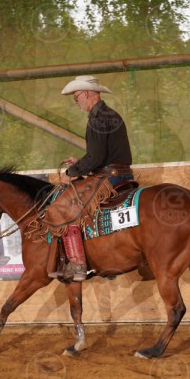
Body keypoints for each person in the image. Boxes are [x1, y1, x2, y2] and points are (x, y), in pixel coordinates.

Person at [48, 75, 134, 281]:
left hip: (109, 177)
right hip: (121, 173)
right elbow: (102, 156)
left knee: (66, 208)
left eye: (76, 97)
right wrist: (80, 163)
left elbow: (95, 158)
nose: (76, 102)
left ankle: (78, 264)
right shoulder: (110, 115)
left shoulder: (97, 119)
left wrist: (71, 173)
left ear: (86, 94)